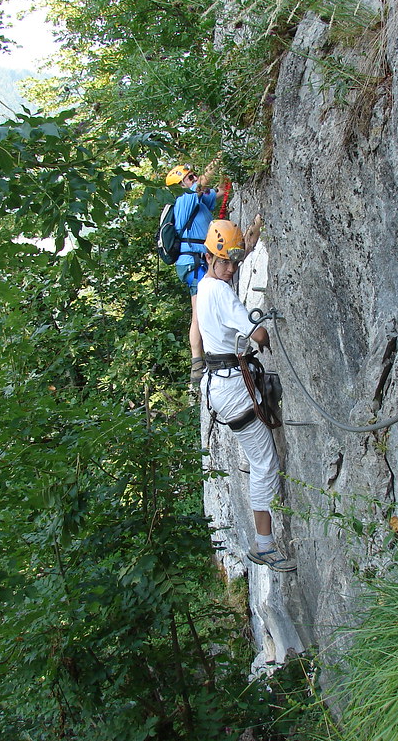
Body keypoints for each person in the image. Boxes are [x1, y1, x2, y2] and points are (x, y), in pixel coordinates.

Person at [195, 219, 295, 573]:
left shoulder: (204, 287)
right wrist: (266, 333)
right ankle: (264, 545)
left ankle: (264, 542)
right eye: (225, 262)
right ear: (209, 257)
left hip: (224, 382)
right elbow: (256, 332)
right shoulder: (220, 291)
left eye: (234, 262)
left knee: (261, 460)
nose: (231, 268)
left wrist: (251, 235)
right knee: (264, 462)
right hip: (233, 387)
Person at [164, 162, 219, 387]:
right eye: (189, 178)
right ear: (181, 185)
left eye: (194, 175)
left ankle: (204, 356)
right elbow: (203, 183)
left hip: (198, 261)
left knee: (205, 307)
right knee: (198, 311)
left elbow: (217, 192)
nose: (194, 179)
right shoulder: (184, 201)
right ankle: (197, 362)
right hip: (193, 262)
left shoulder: (200, 202)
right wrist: (217, 161)